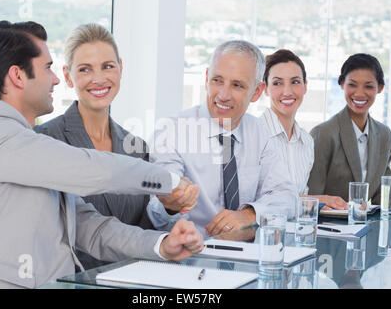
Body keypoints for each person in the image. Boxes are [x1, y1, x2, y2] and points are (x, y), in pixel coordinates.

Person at [0, 20, 203, 289]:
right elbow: (94, 169)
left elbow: (89, 228)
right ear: (17, 76)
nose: (55, 79)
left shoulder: (27, 148)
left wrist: (163, 245)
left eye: (108, 65)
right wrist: (172, 181)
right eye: (47, 68)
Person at [34, 24, 199, 269]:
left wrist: (168, 207)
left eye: (107, 66)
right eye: (85, 69)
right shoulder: (45, 140)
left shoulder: (136, 147)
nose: (99, 78)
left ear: (121, 69)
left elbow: (143, 229)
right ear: (68, 76)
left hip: (131, 279)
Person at [147, 40, 298, 237]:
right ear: (207, 77)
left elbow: (287, 197)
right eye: (217, 80)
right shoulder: (172, 131)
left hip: (247, 255)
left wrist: (249, 214)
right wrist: (170, 206)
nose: (223, 95)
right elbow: (157, 216)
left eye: (237, 85)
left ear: (257, 92)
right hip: (191, 255)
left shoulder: (260, 133)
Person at [260, 49, 348, 211]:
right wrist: (320, 200)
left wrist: (322, 207)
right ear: (265, 88)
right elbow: (259, 200)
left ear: (305, 86)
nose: (287, 92)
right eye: (277, 83)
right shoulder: (255, 135)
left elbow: (299, 201)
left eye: (295, 82)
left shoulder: (306, 142)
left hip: (297, 232)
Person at [308, 53, 391, 205]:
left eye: (368, 86)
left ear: (380, 88)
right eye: (352, 84)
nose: (359, 93)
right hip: (328, 226)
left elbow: (383, 199)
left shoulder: (384, 135)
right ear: (341, 84)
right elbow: (312, 199)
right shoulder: (323, 134)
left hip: (366, 225)